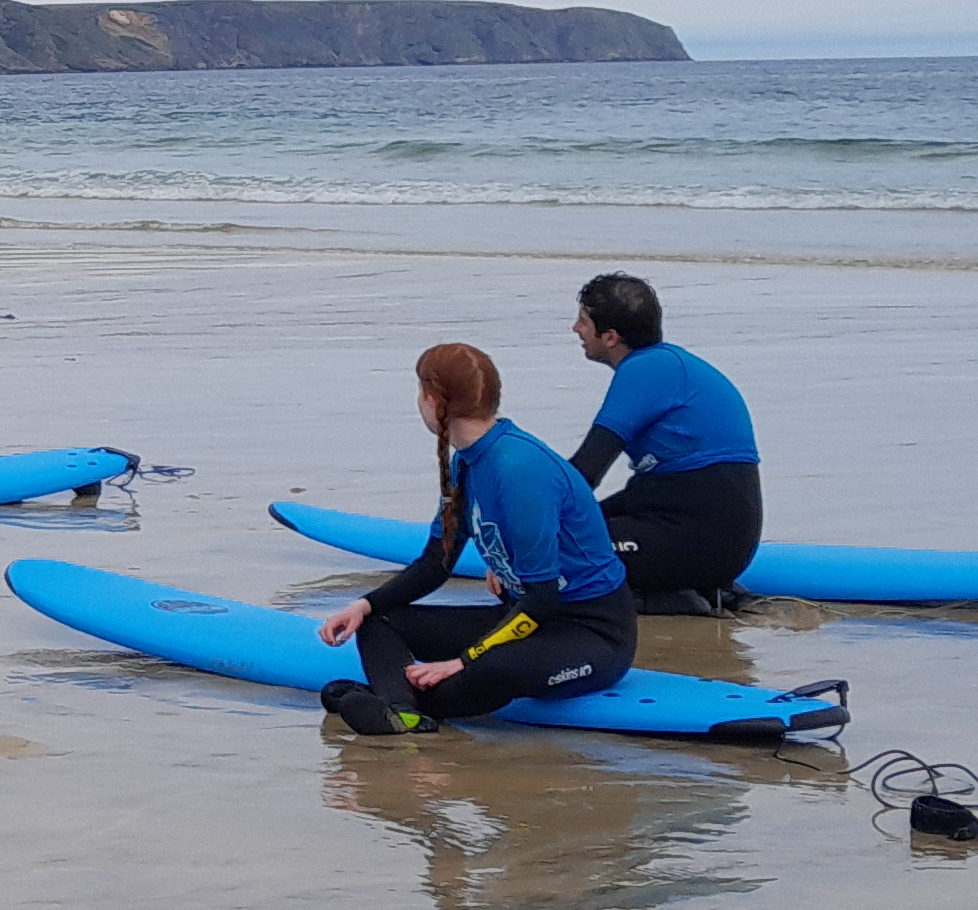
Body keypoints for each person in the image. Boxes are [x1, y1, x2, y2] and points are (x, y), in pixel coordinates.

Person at [316, 342, 637, 735]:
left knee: (494, 668)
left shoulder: (519, 470)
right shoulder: (466, 462)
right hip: (525, 619)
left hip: (592, 632)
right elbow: (436, 564)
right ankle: (402, 710)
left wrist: (466, 660)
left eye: (419, 392)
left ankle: (395, 701)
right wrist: (363, 605)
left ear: (433, 401)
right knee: (380, 621)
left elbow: (543, 599)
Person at [563, 271, 764, 608]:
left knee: (555, 553)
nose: (576, 329)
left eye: (583, 321)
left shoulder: (644, 371)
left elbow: (586, 471)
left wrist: (524, 526)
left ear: (610, 337)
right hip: (708, 528)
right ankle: (696, 588)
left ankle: (671, 600)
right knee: (571, 531)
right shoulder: (669, 364)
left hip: (702, 535)